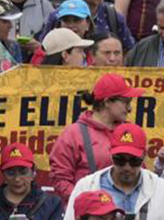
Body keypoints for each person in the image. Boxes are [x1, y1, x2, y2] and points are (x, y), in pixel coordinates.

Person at [48, 73, 142, 201]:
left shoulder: (128, 131)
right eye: (126, 102)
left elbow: (141, 174)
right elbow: (60, 180)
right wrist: (85, 203)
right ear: (108, 101)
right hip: (87, 216)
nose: (130, 108)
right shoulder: (73, 134)